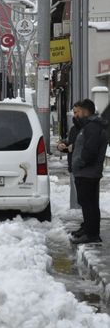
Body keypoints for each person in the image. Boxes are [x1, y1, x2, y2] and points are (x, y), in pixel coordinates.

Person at [69, 99, 109, 244]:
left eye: (77, 112)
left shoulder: (92, 127)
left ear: (85, 112)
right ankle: (88, 228)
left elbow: (90, 151)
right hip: (86, 172)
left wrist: (79, 163)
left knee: (89, 204)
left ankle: (92, 234)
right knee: (87, 203)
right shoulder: (89, 126)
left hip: (87, 172)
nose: (75, 115)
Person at [57, 110, 83, 211]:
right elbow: (70, 144)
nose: (74, 114)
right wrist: (62, 146)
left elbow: (88, 145)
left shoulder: (87, 129)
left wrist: (73, 146)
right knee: (75, 200)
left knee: (83, 201)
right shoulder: (73, 129)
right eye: (74, 112)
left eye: (77, 112)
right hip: (73, 166)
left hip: (84, 168)